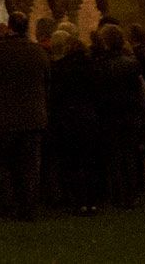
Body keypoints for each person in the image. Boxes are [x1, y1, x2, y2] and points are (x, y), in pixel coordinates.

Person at [0, 11, 51, 220]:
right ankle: (28, 207)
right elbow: (47, 82)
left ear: (10, 27)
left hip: (4, 117)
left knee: (2, 163)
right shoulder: (38, 52)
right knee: (30, 165)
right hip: (33, 117)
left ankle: (5, 206)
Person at [95, 24, 145, 208]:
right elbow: (138, 90)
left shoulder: (101, 64)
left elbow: (99, 92)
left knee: (115, 156)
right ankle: (131, 195)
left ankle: (118, 194)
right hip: (130, 114)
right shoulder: (132, 63)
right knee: (130, 155)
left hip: (110, 114)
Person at [47, 31, 99, 214]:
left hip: (68, 117)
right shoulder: (92, 66)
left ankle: (78, 201)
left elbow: (55, 95)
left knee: (72, 161)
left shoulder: (61, 68)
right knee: (90, 160)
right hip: (89, 116)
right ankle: (92, 200)